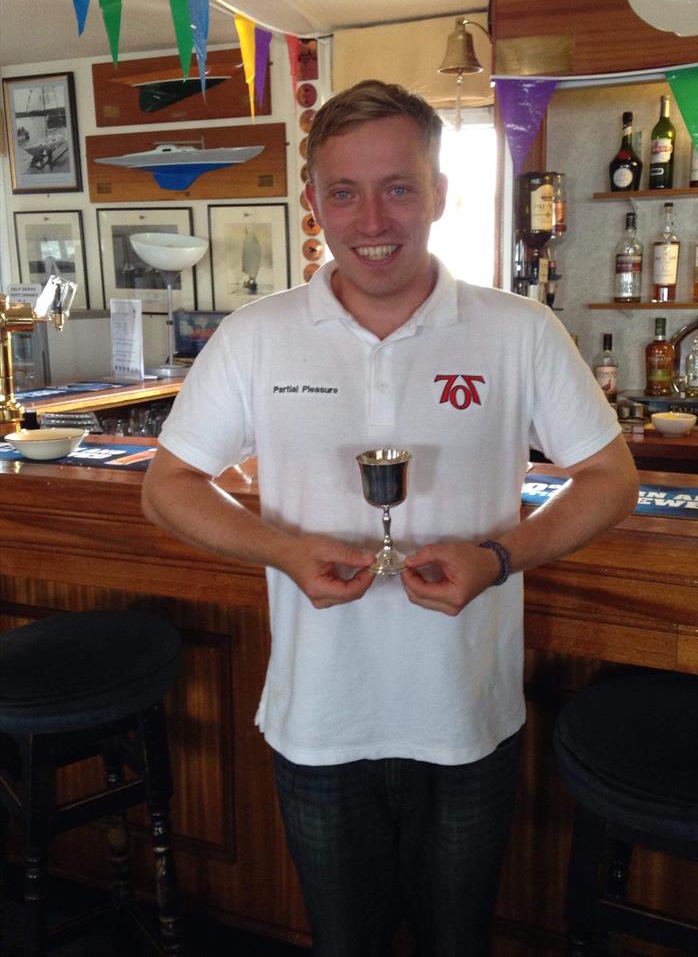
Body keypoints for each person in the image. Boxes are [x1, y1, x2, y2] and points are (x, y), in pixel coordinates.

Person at [142, 79, 640, 957]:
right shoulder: (257, 334)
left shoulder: (517, 330)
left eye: (399, 187)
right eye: (345, 191)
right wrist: (285, 549)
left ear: (441, 193)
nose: (372, 218)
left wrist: (499, 554)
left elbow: (609, 477)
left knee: (459, 942)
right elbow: (169, 484)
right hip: (318, 719)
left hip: (466, 713)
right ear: (314, 204)